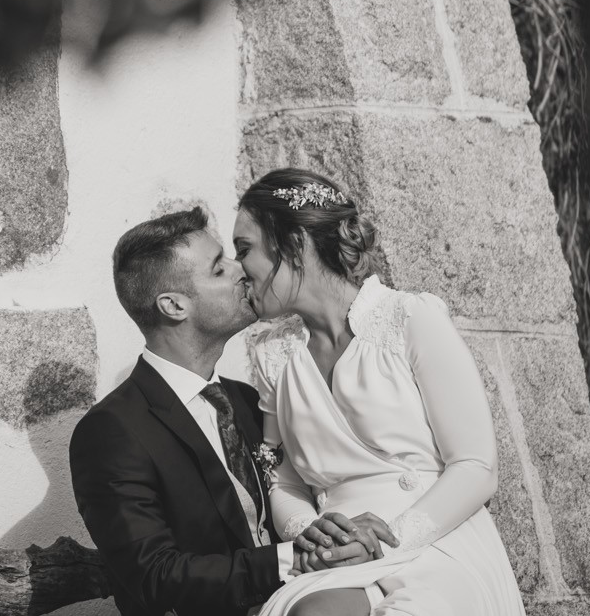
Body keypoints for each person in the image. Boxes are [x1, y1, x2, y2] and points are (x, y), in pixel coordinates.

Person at [232, 168, 526, 616]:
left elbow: (476, 466)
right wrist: (312, 532)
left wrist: (387, 539)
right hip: (339, 555)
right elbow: (285, 480)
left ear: (292, 243)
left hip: (434, 541)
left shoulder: (411, 317)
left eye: (244, 249)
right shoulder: (274, 356)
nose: (238, 270)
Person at [69, 207, 375, 616]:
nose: (241, 269)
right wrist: (294, 558)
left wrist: (336, 535)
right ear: (174, 306)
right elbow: (157, 577)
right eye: (218, 268)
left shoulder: (248, 400)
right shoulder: (110, 431)